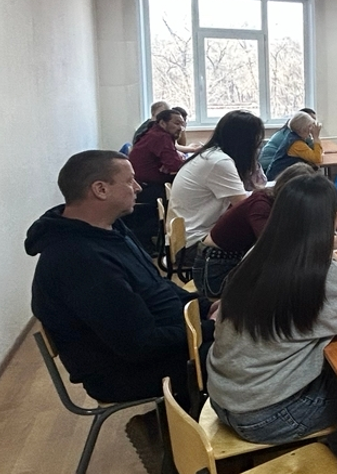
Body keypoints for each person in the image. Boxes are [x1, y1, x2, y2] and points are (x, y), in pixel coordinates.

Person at [207, 173, 337, 474]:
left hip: (225, 397)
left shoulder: (257, 254)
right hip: (265, 413)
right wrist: (334, 257)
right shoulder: (318, 272)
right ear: (327, 221)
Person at [26, 150, 206, 405]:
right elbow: (140, 345)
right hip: (123, 372)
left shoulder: (111, 229)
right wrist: (208, 328)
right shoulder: (77, 259)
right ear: (101, 189)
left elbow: (158, 287)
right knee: (246, 353)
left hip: (161, 342)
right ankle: (183, 420)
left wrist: (205, 308)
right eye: (130, 180)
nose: (138, 187)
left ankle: (176, 418)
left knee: (245, 336)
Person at [195, 162, 337, 299]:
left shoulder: (277, 201)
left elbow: (306, 218)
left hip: (236, 261)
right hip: (216, 269)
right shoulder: (260, 205)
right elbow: (277, 247)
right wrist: (321, 242)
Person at [170, 110, 265, 267]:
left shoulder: (211, 155)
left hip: (189, 238)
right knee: (268, 245)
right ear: (246, 142)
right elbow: (246, 207)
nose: (258, 146)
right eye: (257, 141)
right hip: (195, 245)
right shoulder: (219, 162)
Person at [123, 107, 188, 249]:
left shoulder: (154, 132)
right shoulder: (161, 137)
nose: (180, 128)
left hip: (142, 182)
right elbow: (174, 165)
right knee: (183, 196)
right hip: (145, 187)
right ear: (163, 123)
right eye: (176, 123)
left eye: (182, 124)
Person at [263, 110, 324, 180]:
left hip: (283, 175)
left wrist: (316, 139)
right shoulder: (296, 144)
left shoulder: (294, 137)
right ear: (303, 129)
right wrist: (316, 137)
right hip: (277, 178)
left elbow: (317, 154)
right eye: (310, 126)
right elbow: (317, 159)